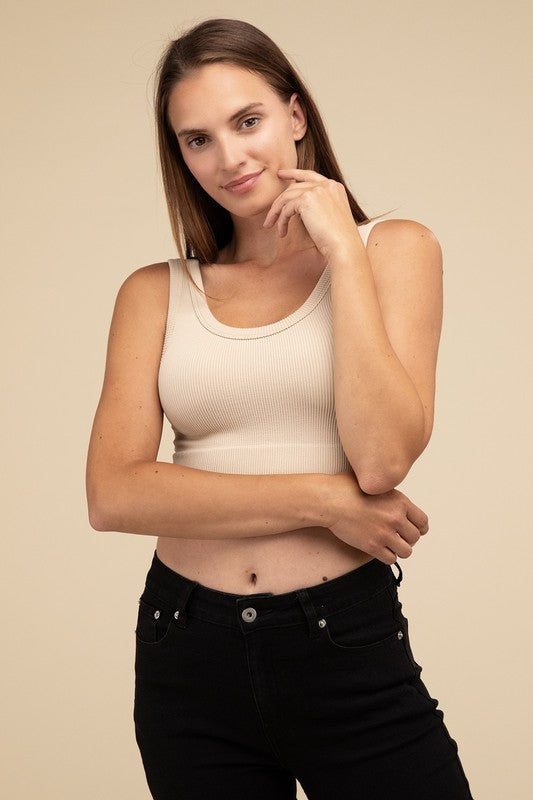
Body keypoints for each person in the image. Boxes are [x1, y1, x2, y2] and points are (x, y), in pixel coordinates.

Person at [85, 17, 473, 800]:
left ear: (295, 116)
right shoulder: (155, 293)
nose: (227, 158)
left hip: (341, 639)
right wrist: (320, 500)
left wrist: (339, 253)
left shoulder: (393, 250)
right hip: (183, 648)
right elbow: (114, 493)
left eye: (247, 121)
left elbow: (382, 459)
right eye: (197, 140)